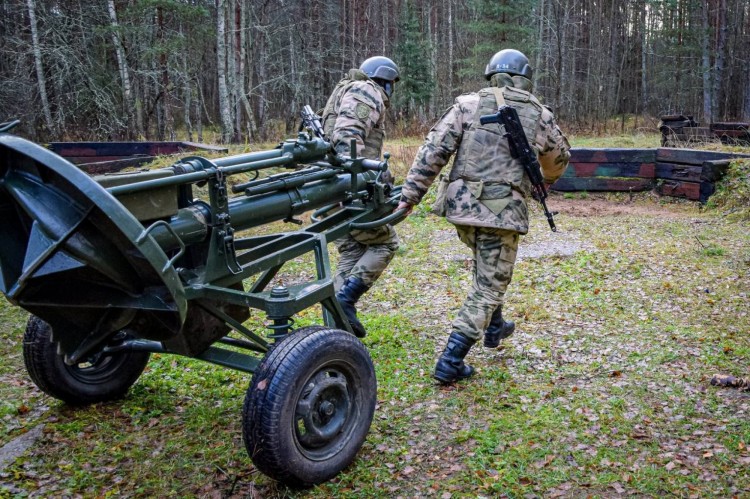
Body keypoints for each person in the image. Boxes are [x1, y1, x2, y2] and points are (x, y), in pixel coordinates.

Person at [396, 49, 571, 383]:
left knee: (488, 269)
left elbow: (433, 149)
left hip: (461, 209)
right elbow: (559, 160)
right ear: (525, 77)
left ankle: (495, 327)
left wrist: (410, 196)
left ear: (490, 75)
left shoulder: (467, 105)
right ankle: (451, 361)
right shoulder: (539, 114)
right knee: (488, 287)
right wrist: (543, 181)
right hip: (501, 211)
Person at [321, 56, 401, 337]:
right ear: (384, 81)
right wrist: (364, 177)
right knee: (385, 243)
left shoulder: (343, 91)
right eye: (391, 85)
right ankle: (345, 301)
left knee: (353, 251)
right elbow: (347, 138)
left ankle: (334, 328)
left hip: (330, 186)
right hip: (351, 187)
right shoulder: (367, 91)